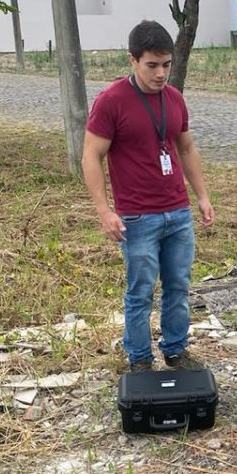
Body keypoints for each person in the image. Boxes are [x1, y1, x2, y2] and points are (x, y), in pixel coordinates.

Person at [82, 20, 214, 371]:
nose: (160, 74)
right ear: (133, 60)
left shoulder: (174, 99)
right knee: (140, 293)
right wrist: (104, 211)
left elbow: (185, 148)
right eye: (152, 65)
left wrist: (201, 196)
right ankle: (139, 359)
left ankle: (175, 349)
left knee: (178, 288)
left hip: (177, 213)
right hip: (137, 218)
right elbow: (91, 155)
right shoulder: (111, 101)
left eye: (166, 65)